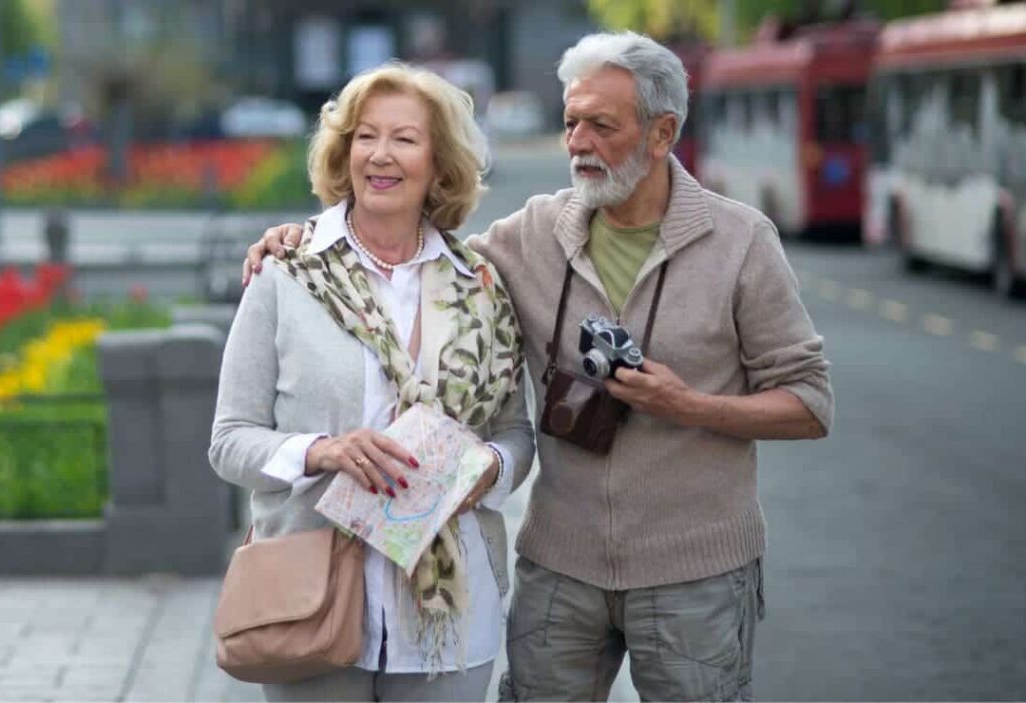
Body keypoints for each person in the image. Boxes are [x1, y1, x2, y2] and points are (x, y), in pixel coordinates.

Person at [242, 32, 834, 702]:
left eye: (602, 126)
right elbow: (412, 254)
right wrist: (305, 241)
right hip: (560, 569)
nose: (578, 142)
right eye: (571, 122)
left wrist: (689, 405)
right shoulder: (528, 236)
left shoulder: (741, 241)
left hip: (693, 572)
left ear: (662, 133)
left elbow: (810, 403)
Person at [209, 62, 534, 702]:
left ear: (438, 163)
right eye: (365, 136)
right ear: (344, 151)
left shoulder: (481, 286)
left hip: (452, 617)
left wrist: (490, 469)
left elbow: (514, 432)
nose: (380, 155)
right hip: (309, 599)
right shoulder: (287, 272)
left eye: (404, 139)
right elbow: (229, 441)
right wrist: (322, 451)